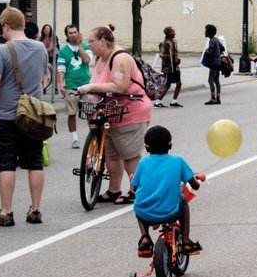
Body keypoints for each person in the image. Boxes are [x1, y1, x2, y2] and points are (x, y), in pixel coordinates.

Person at [0, 7, 49, 226]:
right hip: (33, 115)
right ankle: (36, 209)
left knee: (6, 164)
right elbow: (42, 77)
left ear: (6, 26)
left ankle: (6, 212)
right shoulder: (40, 48)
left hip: (6, 115)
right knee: (35, 162)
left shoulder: (2, 51)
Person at [77, 25, 155, 206]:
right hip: (111, 113)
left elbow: (120, 86)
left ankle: (136, 191)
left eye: (91, 41)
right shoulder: (100, 58)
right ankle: (113, 190)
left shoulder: (120, 58)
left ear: (103, 42)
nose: (89, 45)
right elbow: (97, 81)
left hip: (130, 112)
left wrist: (90, 88)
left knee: (130, 155)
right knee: (112, 154)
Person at [131, 125, 203, 257]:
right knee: (183, 200)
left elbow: (134, 187)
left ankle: (145, 237)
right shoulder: (178, 161)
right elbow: (195, 186)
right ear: (170, 145)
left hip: (145, 214)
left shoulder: (143, 163)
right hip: (170, 212)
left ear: (146, 147)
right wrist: (197, 179)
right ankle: (186, 241)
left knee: (139, 203)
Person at [57, 25, 94, 148]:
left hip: (86, 84)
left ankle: (93, 137)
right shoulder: (63, 51)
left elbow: (87, 60)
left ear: (78, 33)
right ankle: (74, 139)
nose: (73, 34)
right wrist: (61, 83)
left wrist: (80, 46)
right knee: (71, 113)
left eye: (74, 32)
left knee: (90, 112)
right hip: (70, 85)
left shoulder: (86, 47)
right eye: (70, 33)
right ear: (67, 35)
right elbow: (61, 69)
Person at [156, 26, 183, 108]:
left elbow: (176, 52)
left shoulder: (174, 41)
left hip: (176, 66)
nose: (175, 33)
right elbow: (161, 54)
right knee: (167, 85)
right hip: (168, 67)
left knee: (179, 83)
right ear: (168, 33)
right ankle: (157, 102)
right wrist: (170, 57)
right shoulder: (163, 43)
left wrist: (177, 59)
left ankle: (174, 101)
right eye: (173, 32)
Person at [201, 24, 225, 105]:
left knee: (210, 80)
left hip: (213, 63)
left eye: (206, 30)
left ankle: (212, 98)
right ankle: (218, 98)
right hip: (218, 62)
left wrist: (208, 50)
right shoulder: (216, 39)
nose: (204, 32)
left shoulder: (211, 40)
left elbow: (210, 51)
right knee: (216, 80)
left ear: (209, 32)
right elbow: (223, 48)